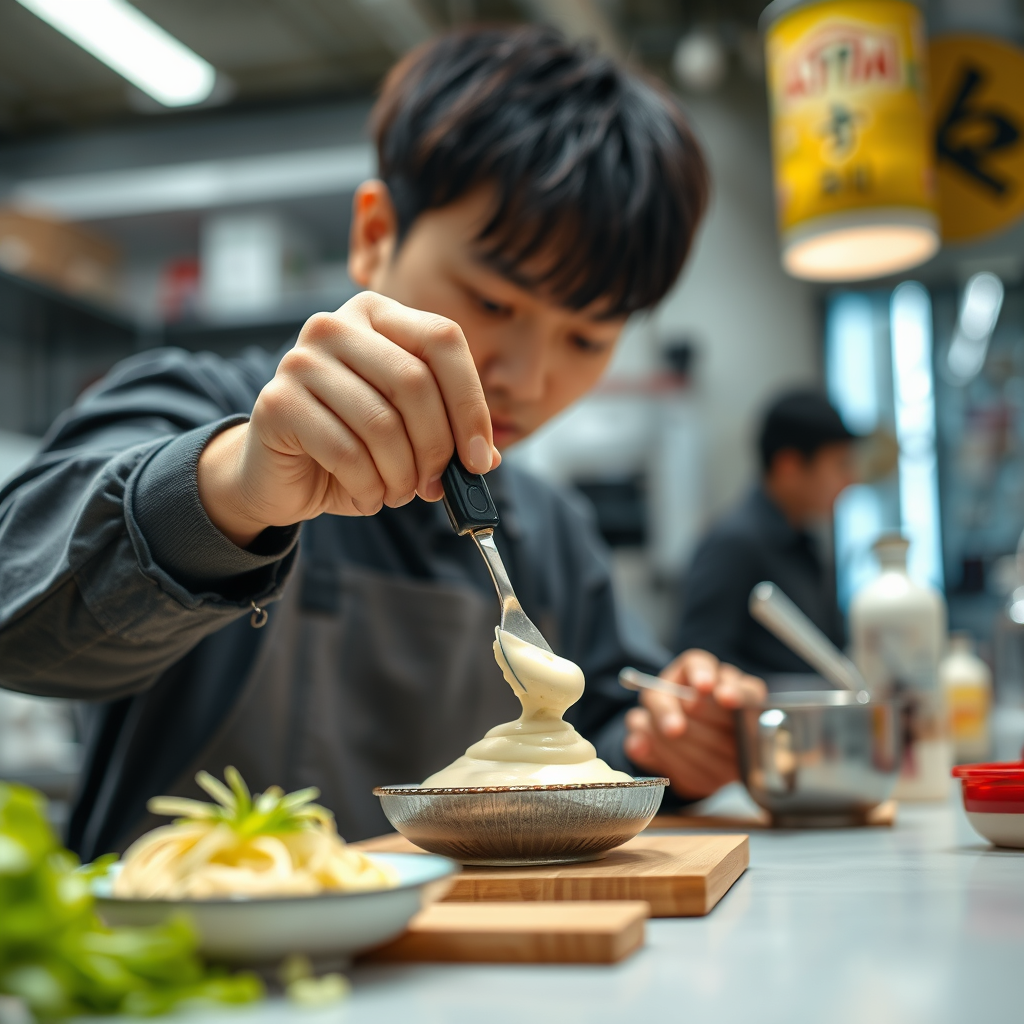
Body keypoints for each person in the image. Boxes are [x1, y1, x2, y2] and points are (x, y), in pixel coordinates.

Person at [0, 26, 763, 859]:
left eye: (587, 338)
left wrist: (670, 742)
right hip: (187, 972)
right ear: (375, 232)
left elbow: (606, 731)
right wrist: (235, 490)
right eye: (496, 303)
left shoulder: (548, 531)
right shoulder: (193, 404)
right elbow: (22, 628)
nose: (527, 376)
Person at [673, 390, 858, 680]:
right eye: (840, 465)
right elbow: (699, 658)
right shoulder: (734, 543)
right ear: (789, 466)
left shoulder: (804, 541)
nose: (850, 480)